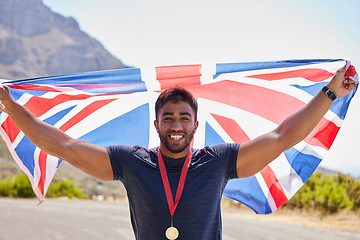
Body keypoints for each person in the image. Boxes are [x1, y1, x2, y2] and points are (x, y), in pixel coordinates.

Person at [0, 65, 357, 240]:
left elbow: (281, 136)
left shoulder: (218, 161)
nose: (176, 124)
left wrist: (328, 94)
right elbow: (63, 145)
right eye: (168, 117)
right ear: (156, 125)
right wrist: (11, 107)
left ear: (195, 126)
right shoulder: (131, 161)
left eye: (184, 118)